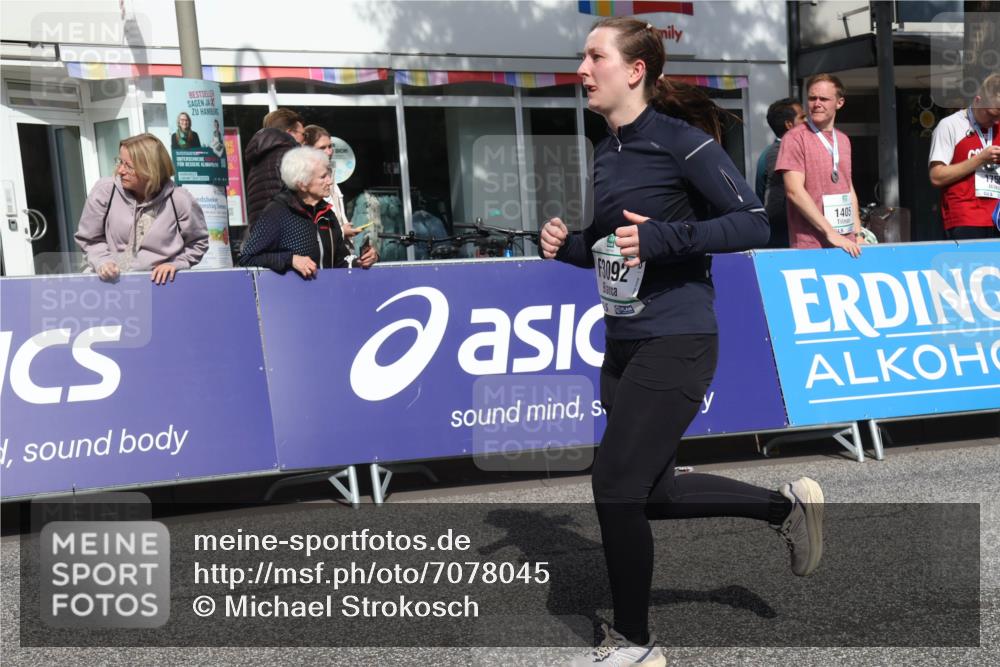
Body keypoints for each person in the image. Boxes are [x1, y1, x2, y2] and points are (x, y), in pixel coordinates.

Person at [539, 18, 824, 666]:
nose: (582, 68)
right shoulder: (607, 151)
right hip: (626, 341)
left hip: (680, 334)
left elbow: (753, 222)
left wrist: (668, 239)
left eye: (594, 56)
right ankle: (784, 508)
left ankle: (636, 644)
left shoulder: (683, 143)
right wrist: (568, 247)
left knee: (614, 483)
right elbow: (618, 243)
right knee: (651, 491)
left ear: (634, 70)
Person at [76, 133, 208, 284]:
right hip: (109, 287)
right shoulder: (105, 191)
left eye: (128, 166)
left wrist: (176, 264)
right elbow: (88, 239)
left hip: (161, 288)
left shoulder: (180, 199)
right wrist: (102, 262)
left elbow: (198, 243)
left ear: (150, 168)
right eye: (120, 162)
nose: (120, 170)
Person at [238, 147, 378, 277]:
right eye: (323, 177)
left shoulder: (327, 213)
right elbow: (247, 257)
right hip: (292, 299)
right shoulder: (278, 211)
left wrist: (362, 260)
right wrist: (291, 259)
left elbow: (341, 260)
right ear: (302, 184)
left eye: (329, 174)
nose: (330, 181)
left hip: (326, 295)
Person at [776, 74, 865, 257]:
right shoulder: (794, 138)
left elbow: (848, 188)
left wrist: (858, 233)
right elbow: (794, 191)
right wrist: (830, 233)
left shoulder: (843, 139)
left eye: (824, 99)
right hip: (811, 245)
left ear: (839, 103)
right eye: (812, 98)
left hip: (847, 244)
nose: (817, 103)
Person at [928, 73, 1000, 240]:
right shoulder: (950, 125)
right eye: (991, 114)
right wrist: (980, 159)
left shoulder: (997, 126)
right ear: (977, 100)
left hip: (996, 217)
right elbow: (936, 176)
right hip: (966, 219)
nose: (996, 121)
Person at [302, 124, 360, 258]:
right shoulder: (305, 182)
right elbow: (310, 226)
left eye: (330, 146)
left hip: (339, 254)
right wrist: (341, 231)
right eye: (322, 148)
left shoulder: (331, 177)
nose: (329, 152)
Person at [244, 108, 306, 227]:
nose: (305, 139)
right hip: (286, 231)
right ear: (290, 133)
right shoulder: (290, 155)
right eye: (303, 134)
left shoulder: (258, 161)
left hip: (262, 233)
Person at [759, 98, 805, 248]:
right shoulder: (778, 154)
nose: (807, 122)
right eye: (802, 118)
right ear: (789, 124)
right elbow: (777, 201)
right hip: (784, 239)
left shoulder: (773, 152)